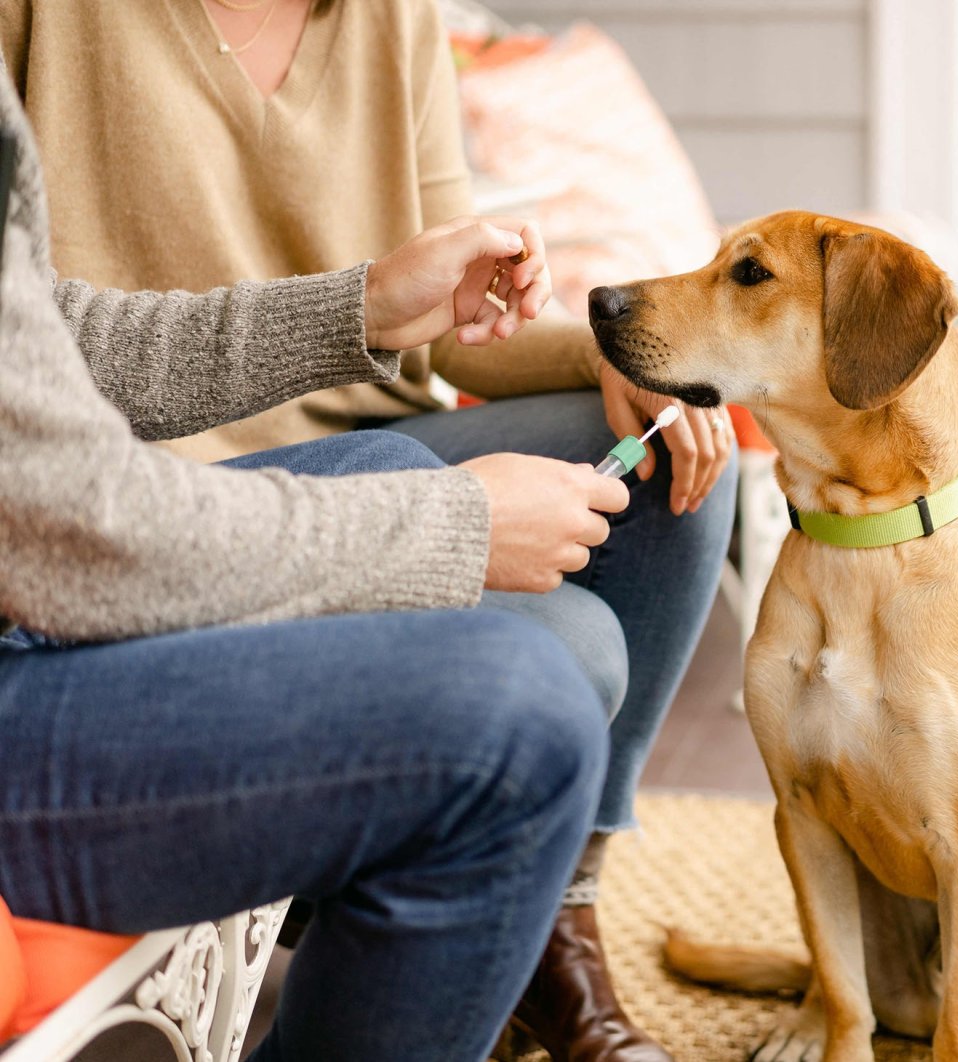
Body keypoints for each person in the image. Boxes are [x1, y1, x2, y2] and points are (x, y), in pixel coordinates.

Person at [1, 3, 735, 1057]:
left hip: (121, 524)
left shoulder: (392, 18)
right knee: (534, 691)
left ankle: (540, 930)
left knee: (433, 479)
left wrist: (367, 308)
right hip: (108, 533)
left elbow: (59, 341)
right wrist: (452, 522)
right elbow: (79, 535)